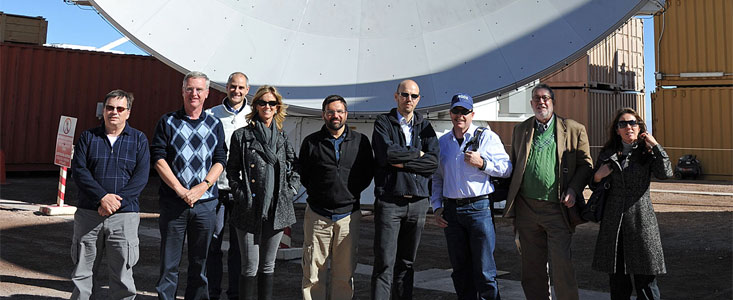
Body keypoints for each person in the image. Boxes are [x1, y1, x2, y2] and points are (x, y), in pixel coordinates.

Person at [503, 83, 592, 300]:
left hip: (557, 209)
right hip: (526, 208)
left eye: (545, 98)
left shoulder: (573, 129)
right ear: (532, 103)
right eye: (536, 98)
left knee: (562, 266)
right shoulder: (521, 130)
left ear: (552, 102)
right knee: (531, 268)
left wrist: (573, 189)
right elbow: (515, 165)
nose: (541, 102)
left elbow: (586, 165)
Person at [151, 71, 227, 300]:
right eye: (189, 89)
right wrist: (181, 190)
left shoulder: (215, 124)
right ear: (182, 91)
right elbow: (158, 158)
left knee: (200, 264)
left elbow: (220, 159)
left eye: (198, 90)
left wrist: (203, 186)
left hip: (205, 205)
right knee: (169, 265)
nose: (194, 94)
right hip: (174, 203)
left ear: (207, 94)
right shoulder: (167, 121)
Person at [70, 89, 150, 300]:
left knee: (123, 274)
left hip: (124, 217)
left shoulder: (139, 140)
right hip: (89, 214)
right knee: (83, 273)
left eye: (120, 108)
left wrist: (115, 203)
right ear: (103, 110)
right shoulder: (88, 137)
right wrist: (102, 198)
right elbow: (79, 171)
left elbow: (140, 178)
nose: (114, 112)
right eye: (110, 108)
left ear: (128, 112)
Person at [431, 93, 512, 300]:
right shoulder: (443, 143)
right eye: (456, 111)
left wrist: (483, 163)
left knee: (485, 271)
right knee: (460, 271)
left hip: (479, 209)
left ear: (472, 114)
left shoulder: (487, 137)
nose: (460, 116)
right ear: (450, 114)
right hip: (451, 211)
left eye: (464, 112)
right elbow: (438, 178)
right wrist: (437, 206)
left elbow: (507, 168)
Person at [226, 85, 301, 300]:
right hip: (249, 207)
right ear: (256, 105)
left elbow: (295, 166)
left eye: (271, 103)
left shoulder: (282, 137)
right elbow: (232, 170)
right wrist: (241, 194)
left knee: (268, 265)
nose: (267, 107)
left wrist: (291, 189)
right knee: (250, 265)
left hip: (277, 208)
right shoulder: (243, 136)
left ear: (277, 107)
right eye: (262, 102)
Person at [591, 108, 672, 300]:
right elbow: (594, 185)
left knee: (646, 283)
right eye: (623, 124)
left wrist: (656, 146)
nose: (628, 127)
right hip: (614, 224)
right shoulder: (607, 153)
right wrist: (597, 176)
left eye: (632, 123)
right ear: (617, 130)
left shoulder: (647, 152)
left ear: (640, 127)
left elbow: (665, 173)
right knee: (618, 283)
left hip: (642, 222)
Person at [299, 95, 375, 300]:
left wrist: (349, 193)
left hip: (348, 217)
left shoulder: (360, 142)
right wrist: (321, 192)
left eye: (340, 112)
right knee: (313, 274)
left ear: (346, 114)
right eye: (331, 112)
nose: (335, 116)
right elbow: (304, 174)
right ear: (324, 114)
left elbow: (367, 172)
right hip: (318, 215)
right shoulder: (311, 142)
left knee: (344, 274)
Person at [371, 79, 440, 300]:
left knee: (407, 263)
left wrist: (406, 160)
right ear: (396, 96)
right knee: (384, 263)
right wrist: (418, 154)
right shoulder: (384, 122)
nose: (408, 99)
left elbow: (433, 163)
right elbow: (387, 155)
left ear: (418, 99)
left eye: (413, 96)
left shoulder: (425, 126)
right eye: (404, 95)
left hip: (418, 203)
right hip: (391, 200)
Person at [205, 72, 250, 300]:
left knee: (238, 249)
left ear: (247, 90)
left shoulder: (254, 115)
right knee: (213, 244)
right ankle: (212, 292)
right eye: (233, 86)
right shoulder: (211, 115)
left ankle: (235, 294)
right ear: (226, 88)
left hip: (242, 193)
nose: (237, 91)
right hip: (216, 191)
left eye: (241, 87)